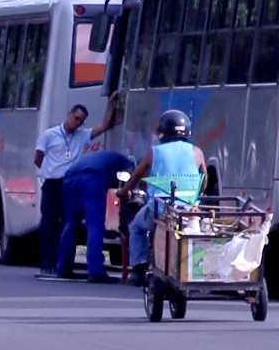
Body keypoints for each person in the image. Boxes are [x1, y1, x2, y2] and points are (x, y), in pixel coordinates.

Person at [128, 110, 206, 273]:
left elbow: (137, 176)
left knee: (135, 227)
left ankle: (138, 265)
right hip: (189, 212)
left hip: (160, 210)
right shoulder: (197, 152)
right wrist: (197, 196)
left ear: (162, 131)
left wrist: (123, 191)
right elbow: (204, 181)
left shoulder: (154, 152)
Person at [33, 103, 95, 278]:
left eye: (81, 121)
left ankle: (64, 265)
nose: (77, 123)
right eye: (76, 118)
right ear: (69, 115)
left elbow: (104, 127)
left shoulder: (81, 136)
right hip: (52, 184)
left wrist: (113, 105)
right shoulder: (50, 134)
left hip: (70, 185)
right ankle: (47, 264)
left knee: (68, 225)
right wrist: (49, 171)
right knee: (49, 224)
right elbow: (38, 157)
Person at [56, 141, 131, 282]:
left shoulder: (104, 156)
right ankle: (96, 270)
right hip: (93, 178)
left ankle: (63, 267)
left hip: (70, 178)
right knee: (95, 226)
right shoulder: (127, 164)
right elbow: (128, 181)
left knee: (71, 223)